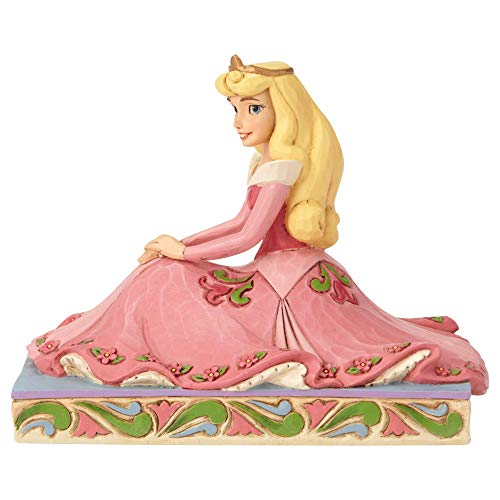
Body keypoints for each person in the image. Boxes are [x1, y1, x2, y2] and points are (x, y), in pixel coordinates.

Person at [27, 55, 488, 395]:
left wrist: (182, 253)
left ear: (283, 110)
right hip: (274, 274)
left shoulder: (284, 164)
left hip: (286, 283)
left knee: (165, 277)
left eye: (252, 108)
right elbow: (238, 221)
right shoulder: (266, 162)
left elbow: (247, 236)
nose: (238, 121)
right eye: (234, 109)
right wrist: (178, 244)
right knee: (161, 272)